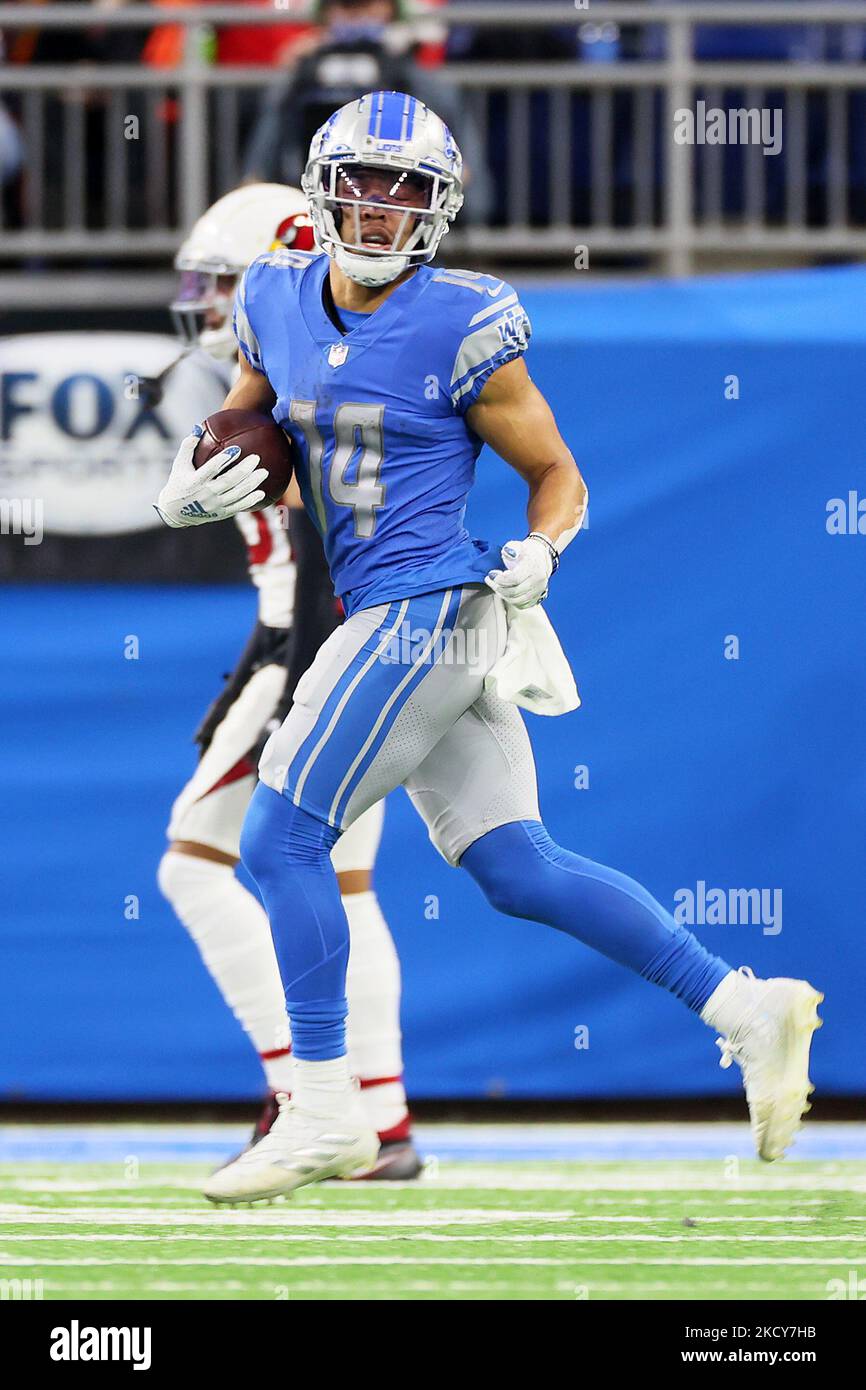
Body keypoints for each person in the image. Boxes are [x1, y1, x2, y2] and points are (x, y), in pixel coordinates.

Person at [155, 91, 823, 1204]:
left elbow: (555, 472)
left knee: (276, 845)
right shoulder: (269, 298)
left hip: (425, 605)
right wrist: (191, 480)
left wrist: (544, 549)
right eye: (362, 185)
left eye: (405, 190)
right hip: (408, 619)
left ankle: (327, 1107)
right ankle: (742, 1007)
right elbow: (245, 423)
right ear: (323, 192)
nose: (378, 211)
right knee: (518, 868)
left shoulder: (463, 319)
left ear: (438, 207)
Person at [156, 181, 421, 1180]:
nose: (207, 301)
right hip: (376, 652)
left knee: (192, 862)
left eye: (225, 282)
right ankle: (381, 1120)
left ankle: (300, 1094)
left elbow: (313, 560)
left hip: (321, 651)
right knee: (343, 885)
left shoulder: (298, 380)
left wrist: (297, 693)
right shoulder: (326, 366)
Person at [242, 0, 490, 222]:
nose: (357, 17)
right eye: (346, 7)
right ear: (325, 15)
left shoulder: (417, 79)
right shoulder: (299, 78)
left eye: (367, 5)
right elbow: (259, 165)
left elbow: (467, 173)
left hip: (400, 210)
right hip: (311, 209)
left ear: (391, 11)